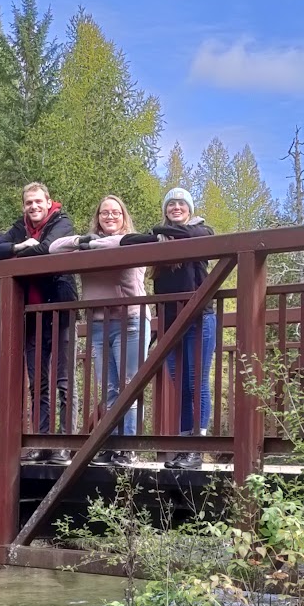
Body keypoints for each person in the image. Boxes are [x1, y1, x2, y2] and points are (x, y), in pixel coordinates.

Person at [0, 182, 77, 461]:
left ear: (49, 202)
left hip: (59, 309)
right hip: (29, 314)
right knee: (38, 383)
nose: (34, 207)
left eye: (38, 202)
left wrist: (14, 251)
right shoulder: (19, 228)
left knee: (63, 381)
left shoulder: (62, 222)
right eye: (28, 203)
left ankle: (63, 444)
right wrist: (20, 245)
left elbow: (48, 249)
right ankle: (40, 442)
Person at [49, 194, 149, 466]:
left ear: (124, 216)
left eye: (115, 212)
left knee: (129, 386)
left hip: (131, 321)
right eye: (104, 213)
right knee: (109, 389)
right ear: (98, 217)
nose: (110, 217)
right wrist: (82, 241)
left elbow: (121, 243)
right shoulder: (87, 244)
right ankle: (111, 445)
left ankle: (127, 449)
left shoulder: (133, 240)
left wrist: (93, 245)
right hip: (97, 326)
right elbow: (54, 247)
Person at [151, 186, 217, 468]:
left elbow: (195, 236)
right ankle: (181, 446)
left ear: (190, 209)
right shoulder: (158, 239)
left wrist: (160, 234)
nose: (176, 207)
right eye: (171, 204)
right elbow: (131, 240)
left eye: (181, 204)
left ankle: (196, 448)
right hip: (170, 323)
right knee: (180, 386)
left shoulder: (202, 231)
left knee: (196, 382)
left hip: (200, 319)